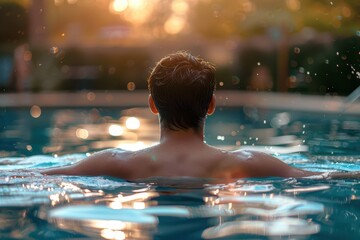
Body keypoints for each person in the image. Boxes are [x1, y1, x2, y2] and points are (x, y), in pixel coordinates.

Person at [41, 51, 357, 181]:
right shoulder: (248, 162)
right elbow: (326, 177)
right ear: (211, 105)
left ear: (152, 105)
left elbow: (32, 177)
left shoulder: (115, 162)